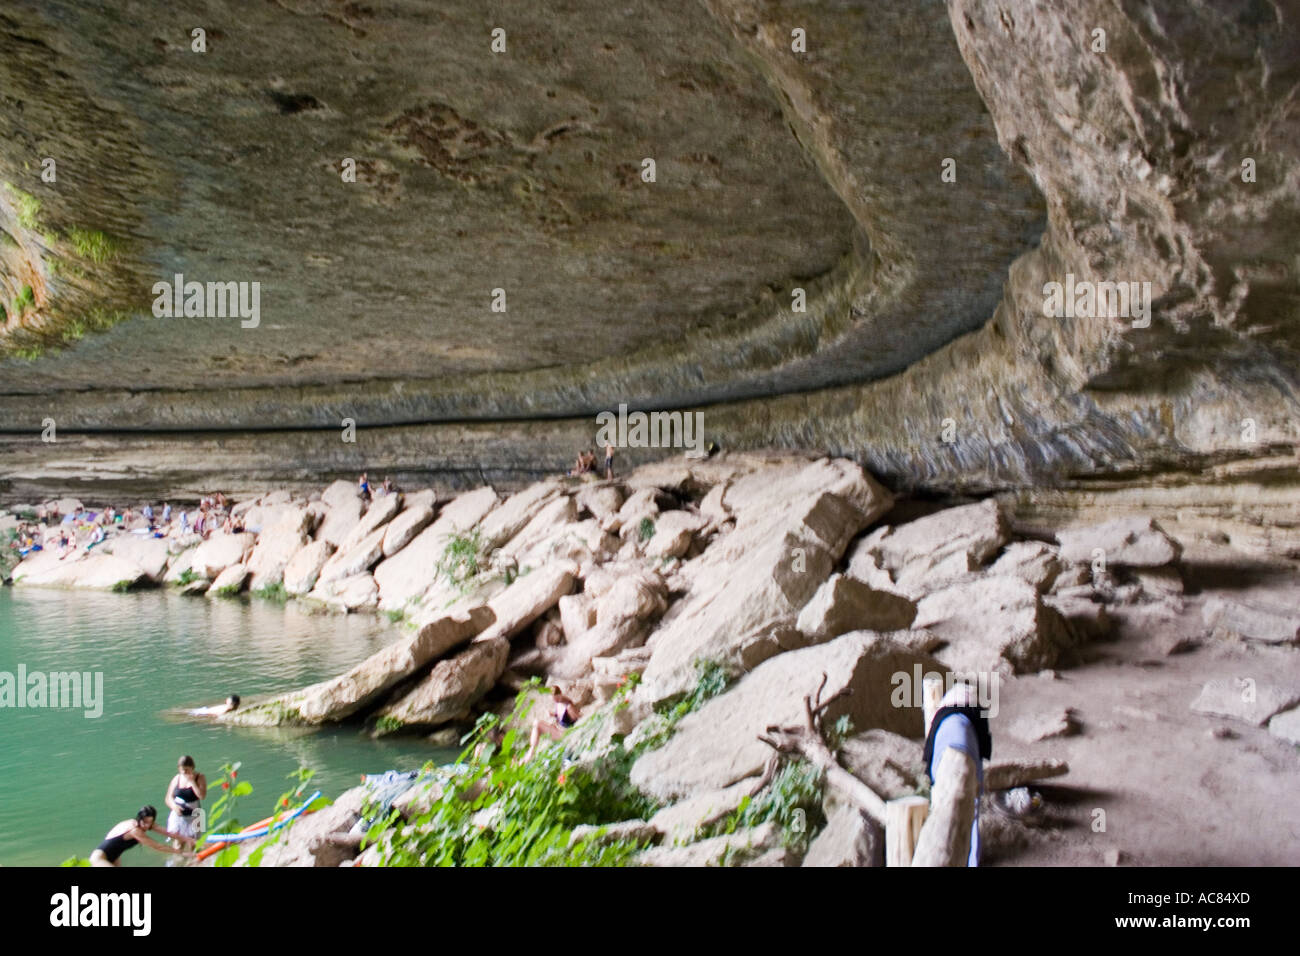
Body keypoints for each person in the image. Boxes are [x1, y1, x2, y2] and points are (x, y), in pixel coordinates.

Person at [922, 682, 992, 866]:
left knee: (942, 803)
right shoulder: (975, 723)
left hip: (949, 753)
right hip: (964, 751)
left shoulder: (942, 724)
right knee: (971, 807)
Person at [90, 806, 194, 866]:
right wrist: (183, 853)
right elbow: (157, 846)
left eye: (150, 822)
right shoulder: (134, 829)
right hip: (99, 858)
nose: (146, 825)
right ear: (140, 818)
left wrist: (191, 840)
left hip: (115, 858)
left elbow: (169, 833)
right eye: (144, 822)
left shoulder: (146, 825)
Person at [525, 688, 580, 761]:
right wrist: (554, 714)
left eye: (556, 698)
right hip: (559, 729)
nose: (555, 700)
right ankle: (531, 750)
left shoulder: (569, 707)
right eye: (554, 699)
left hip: (565, 733)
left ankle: (531, 752)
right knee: (537, 723)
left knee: (538, 724)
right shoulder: (559, 703)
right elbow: (561, 716)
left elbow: (577, 720)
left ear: (560, 694)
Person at [165, 755, 207, 850]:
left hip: (195, 813)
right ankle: (177, 862)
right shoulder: (177, 778)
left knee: (194, 844)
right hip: (178, 814)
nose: (184, 772)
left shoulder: (200, 777)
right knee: (178, 842)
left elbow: (202, 796)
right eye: (182, 769)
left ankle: (194, 862)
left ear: (192, 768)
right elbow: (168, 798)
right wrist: (174, 806)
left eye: (187, 769)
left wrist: (192, 782)